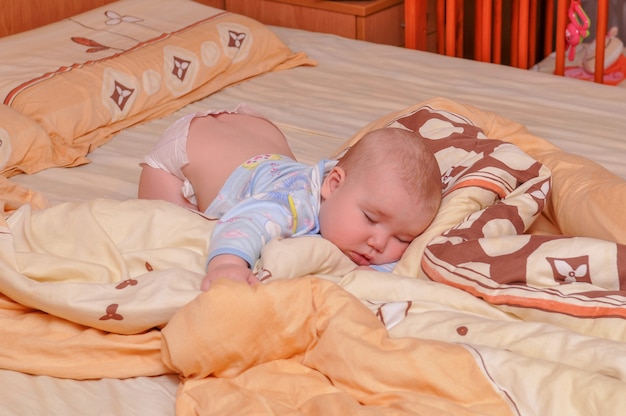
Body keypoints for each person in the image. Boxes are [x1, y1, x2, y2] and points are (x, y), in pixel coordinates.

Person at [138, 104, 442, 290]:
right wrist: (227, 264)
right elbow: (246, 224)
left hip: (256, 136)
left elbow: (393, 272)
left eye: (402, 239)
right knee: (172, 226)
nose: (379, 243)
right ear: (333, 185)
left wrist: (378, 272)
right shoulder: (290, 204)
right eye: (371, 218)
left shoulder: (357, 198)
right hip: (187, 151)